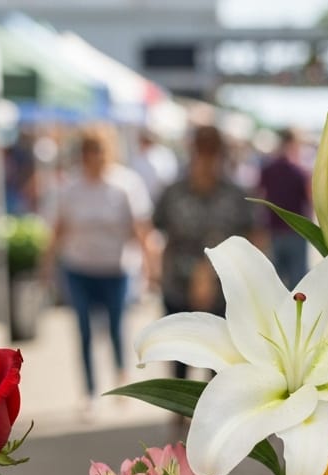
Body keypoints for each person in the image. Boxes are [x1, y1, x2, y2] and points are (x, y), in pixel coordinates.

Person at [43, 125, 154, 411]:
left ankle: (120, 377)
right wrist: (46, 263)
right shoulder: (70, 187)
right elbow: (58, 229)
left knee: (117, 327)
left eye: (99, 150)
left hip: (115, 268)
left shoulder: (126, 184)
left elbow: (142, 229)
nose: (94, 157)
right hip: (79, 267)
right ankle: (90, 390)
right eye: (89, 151)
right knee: (83, 329)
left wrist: (150, 268)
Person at [153, 124, 256, 378]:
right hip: (178, 282)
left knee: (220, 361)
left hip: (224, 287)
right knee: (177, 350)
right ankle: (178, 409)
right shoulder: (174, 192)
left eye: (212, 151)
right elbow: (157, 228)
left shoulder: (236, 195)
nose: (206, 158)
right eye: (201, 150)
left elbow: (255, 234)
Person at [257, 128, 310, 289]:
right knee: (298, 285)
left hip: (274, 231)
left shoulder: (268, 169)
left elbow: (260, 196)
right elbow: (309, 199)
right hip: (296, 232)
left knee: (275, 284)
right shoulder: (299, 172)